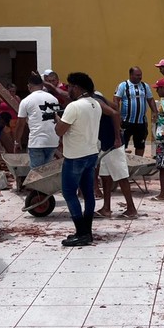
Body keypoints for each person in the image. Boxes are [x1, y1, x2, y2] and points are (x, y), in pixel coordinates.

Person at [54, 72, 101, 247]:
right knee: (88, 193)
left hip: (74, 157)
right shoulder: (96, 104)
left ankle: (81, 232)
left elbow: (60, 131)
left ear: (78, 87)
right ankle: (87, 231)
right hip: (91, 154)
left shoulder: (74, 107)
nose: (68, 90)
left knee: (69, 193)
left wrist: (57, 120)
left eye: (70, 86)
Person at [93, 91, 138, 219]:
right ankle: (106, 208)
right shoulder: (99, 97)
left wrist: (117, 137)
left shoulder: (97, 101)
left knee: (121, 176)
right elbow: (115, 106)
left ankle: (131, 209)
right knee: (105, 176)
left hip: (113, 144)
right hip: (105, 144)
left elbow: (115, 112)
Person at [14, 72, 61, 168]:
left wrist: (17, 141)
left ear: (29, 86)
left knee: (36, 173)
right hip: (52, 141)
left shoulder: (26, 101)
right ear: (42, 85)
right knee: (47, 172)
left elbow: (20, 124)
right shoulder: (54, 99)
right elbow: (56, 119)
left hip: (36, 142)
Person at [113, 67, 157, 157]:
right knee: (122, 145)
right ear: (131, 75)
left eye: (140, 75)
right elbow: (116, 100)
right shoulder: (123, 85)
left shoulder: (145, 86)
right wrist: (118, 115)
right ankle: (123, 164)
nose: (140, 77)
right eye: (137, 75)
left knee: (140, 145)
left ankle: (139, 162)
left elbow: (150, 99)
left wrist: (155, 112)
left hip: (141, 122)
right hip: (126, 121)